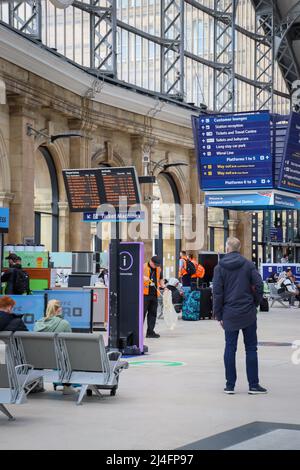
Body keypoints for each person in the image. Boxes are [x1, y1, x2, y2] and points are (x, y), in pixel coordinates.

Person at [213, 237, 267, 395]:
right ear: (239, 248)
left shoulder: (219, 267)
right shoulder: (248, 264)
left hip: (229, 313)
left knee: (230, 348)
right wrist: (255, 303)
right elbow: (259, 285)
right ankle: (254, 385)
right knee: (251, 348)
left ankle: (230, 385)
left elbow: (217, 293)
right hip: (248, 313)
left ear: (227, 248)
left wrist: (219, 314)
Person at [34, 299, 74, 395]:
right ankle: (67, 387)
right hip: (58, 359)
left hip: (38, 359)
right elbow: (70, 343)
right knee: (69, 353)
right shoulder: (64, 323)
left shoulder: (37, 324)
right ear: (59, 310)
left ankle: (35, 385)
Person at [143, 256, 165, 338]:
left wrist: (163, 286)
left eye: (157, 265)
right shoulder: (143, 267)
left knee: (153, 314)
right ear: (151, 261)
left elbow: (161, 279)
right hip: (144, 294)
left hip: (154, 294)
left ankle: (150, 332)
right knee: (142, 314)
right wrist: (142, 278)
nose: (156, 266)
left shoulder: (158, 268)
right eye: (155, 265)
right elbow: (136, 277)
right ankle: (137, 332)